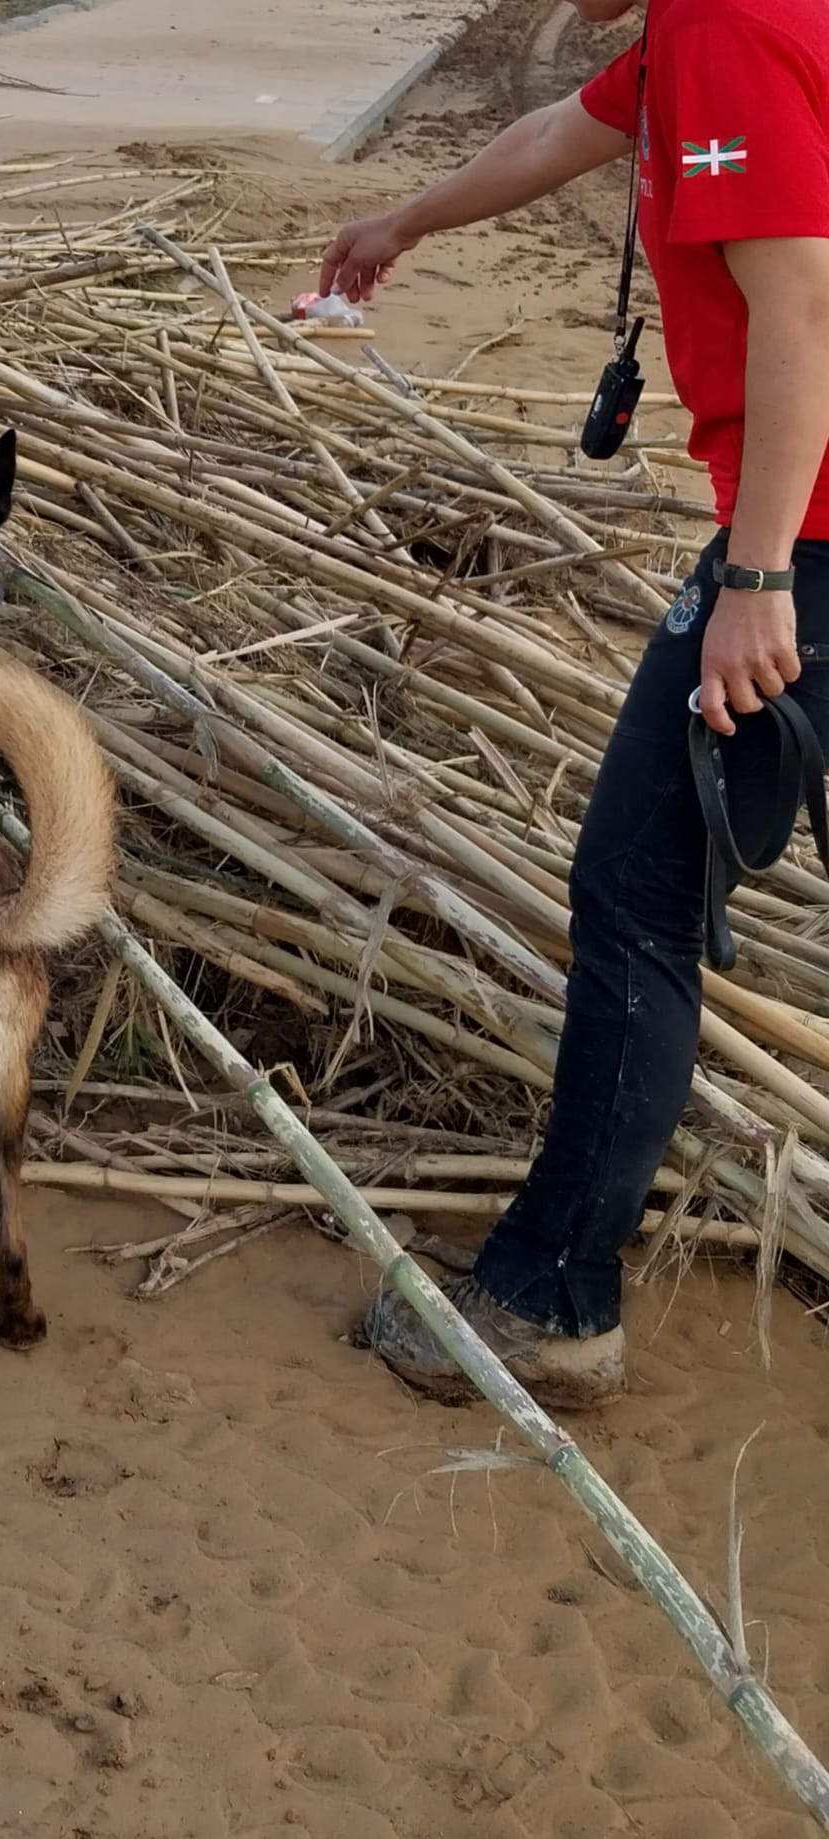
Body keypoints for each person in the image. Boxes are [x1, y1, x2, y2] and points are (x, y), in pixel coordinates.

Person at [319, 0, 829, 1407]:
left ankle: (552, 1300)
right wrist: (403, 222)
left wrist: (759, 576)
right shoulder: (701, 30)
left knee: (635, 895)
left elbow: (800, 304)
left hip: (809, 543)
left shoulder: (726, 23)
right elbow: (560, 129)